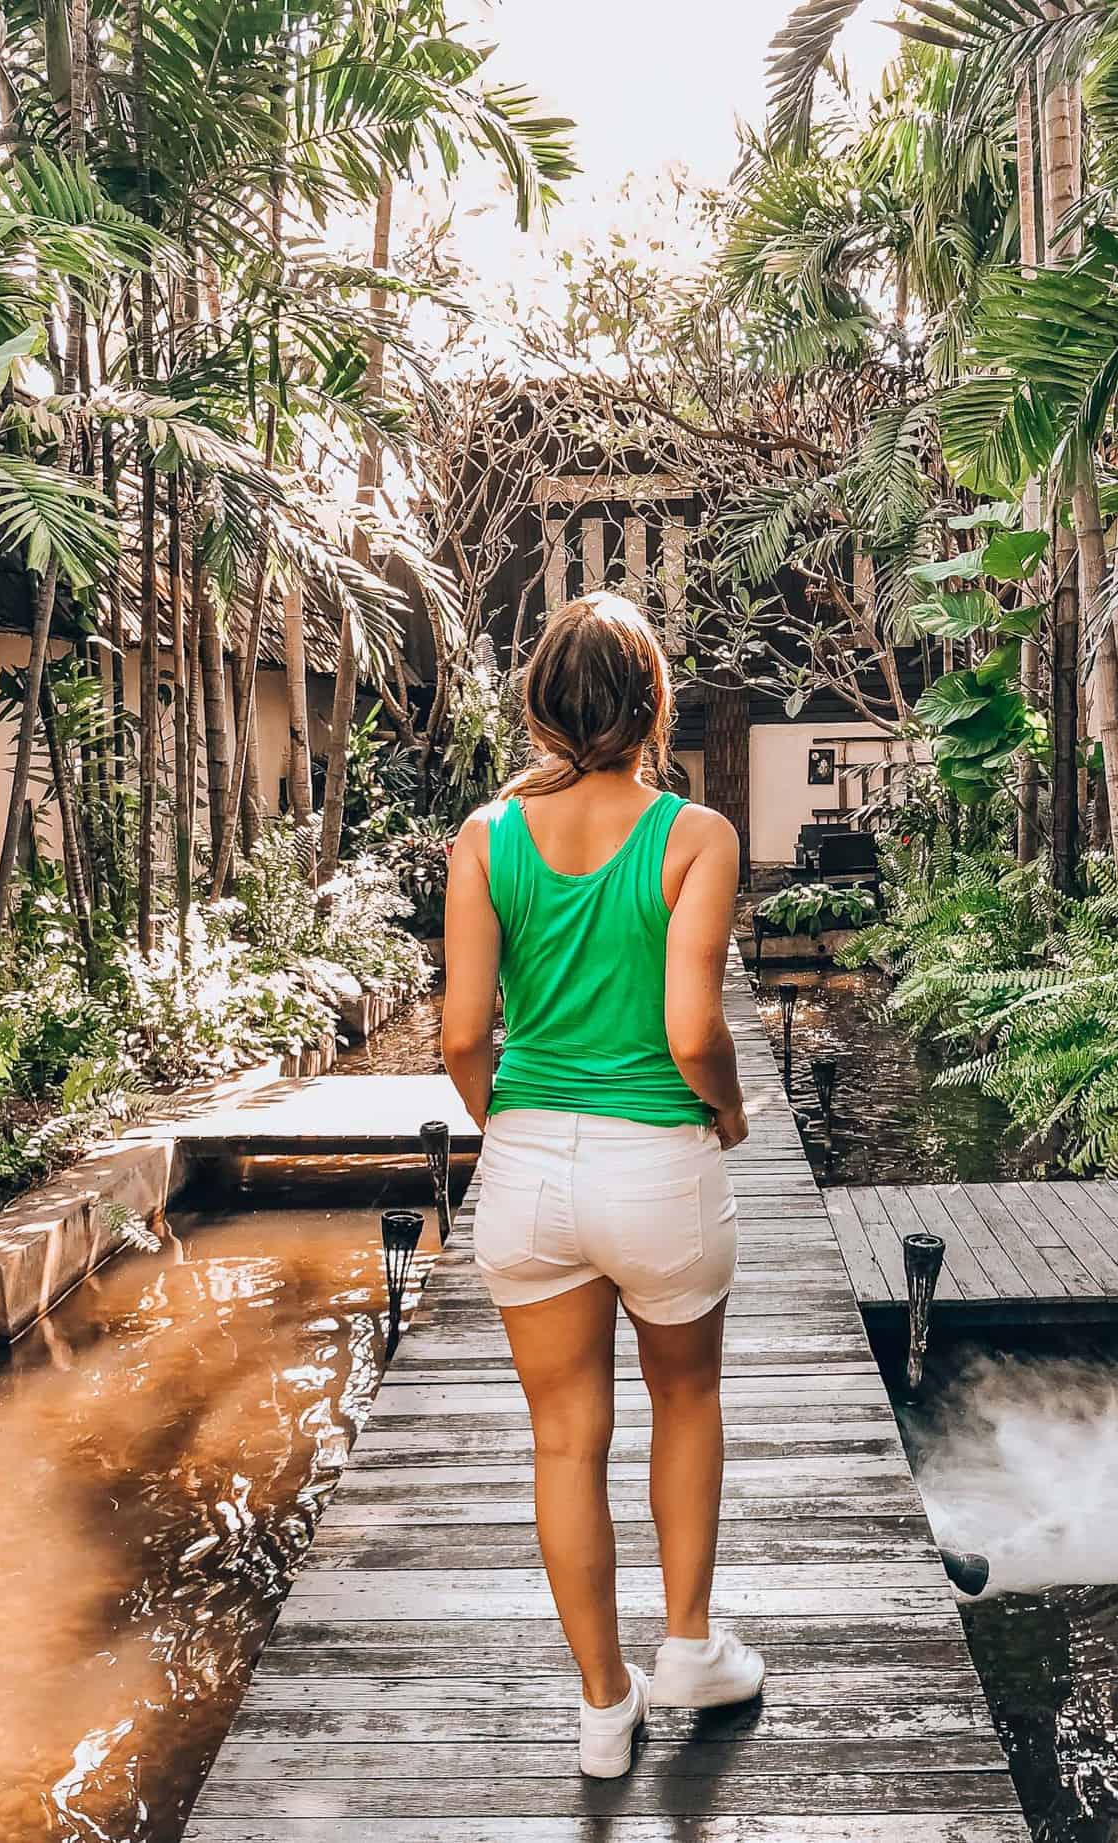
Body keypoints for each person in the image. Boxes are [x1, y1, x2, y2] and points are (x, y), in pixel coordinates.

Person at [442, 591, 764, 1779]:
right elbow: (692, 1030)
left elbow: (464, 1033)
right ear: (651, 703)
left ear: (537, 703)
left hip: (527, 1172)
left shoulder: (482, 838)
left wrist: (510, 1123)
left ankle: (599, 1709)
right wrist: (727, 1113)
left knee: (564, 1439)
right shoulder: (696, 835)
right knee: (684, 1400)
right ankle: (687, 1647)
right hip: (659, 1170)